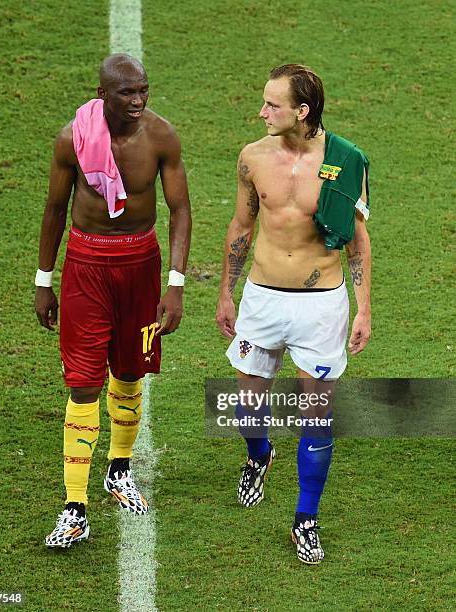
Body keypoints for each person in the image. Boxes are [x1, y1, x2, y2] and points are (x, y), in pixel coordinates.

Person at [216, 64, 371, 564]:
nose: (261, 112)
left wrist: (363, 307)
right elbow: (242, 224)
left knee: (315, 415)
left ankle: (306, 518)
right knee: (247, 406)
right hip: (262, 298)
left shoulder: (347, 162)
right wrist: (226, 291)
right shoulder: (252, 158)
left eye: (272, 105)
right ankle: (259, 456)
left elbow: (358, 242)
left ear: (302, 112)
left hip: (321, 305)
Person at [36, 54, 191, 548]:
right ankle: (74, 506)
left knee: (129, 372)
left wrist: (176, 283)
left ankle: (118, 471)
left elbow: (180, 208)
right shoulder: (71, 140)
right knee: (83, 385)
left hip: (141, 269)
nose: (139, 101)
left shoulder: (161, 136)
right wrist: (44, 279)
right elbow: (55, 208)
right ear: (102, 94)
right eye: (127, 93)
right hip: (86, 267)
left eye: (144, 90)